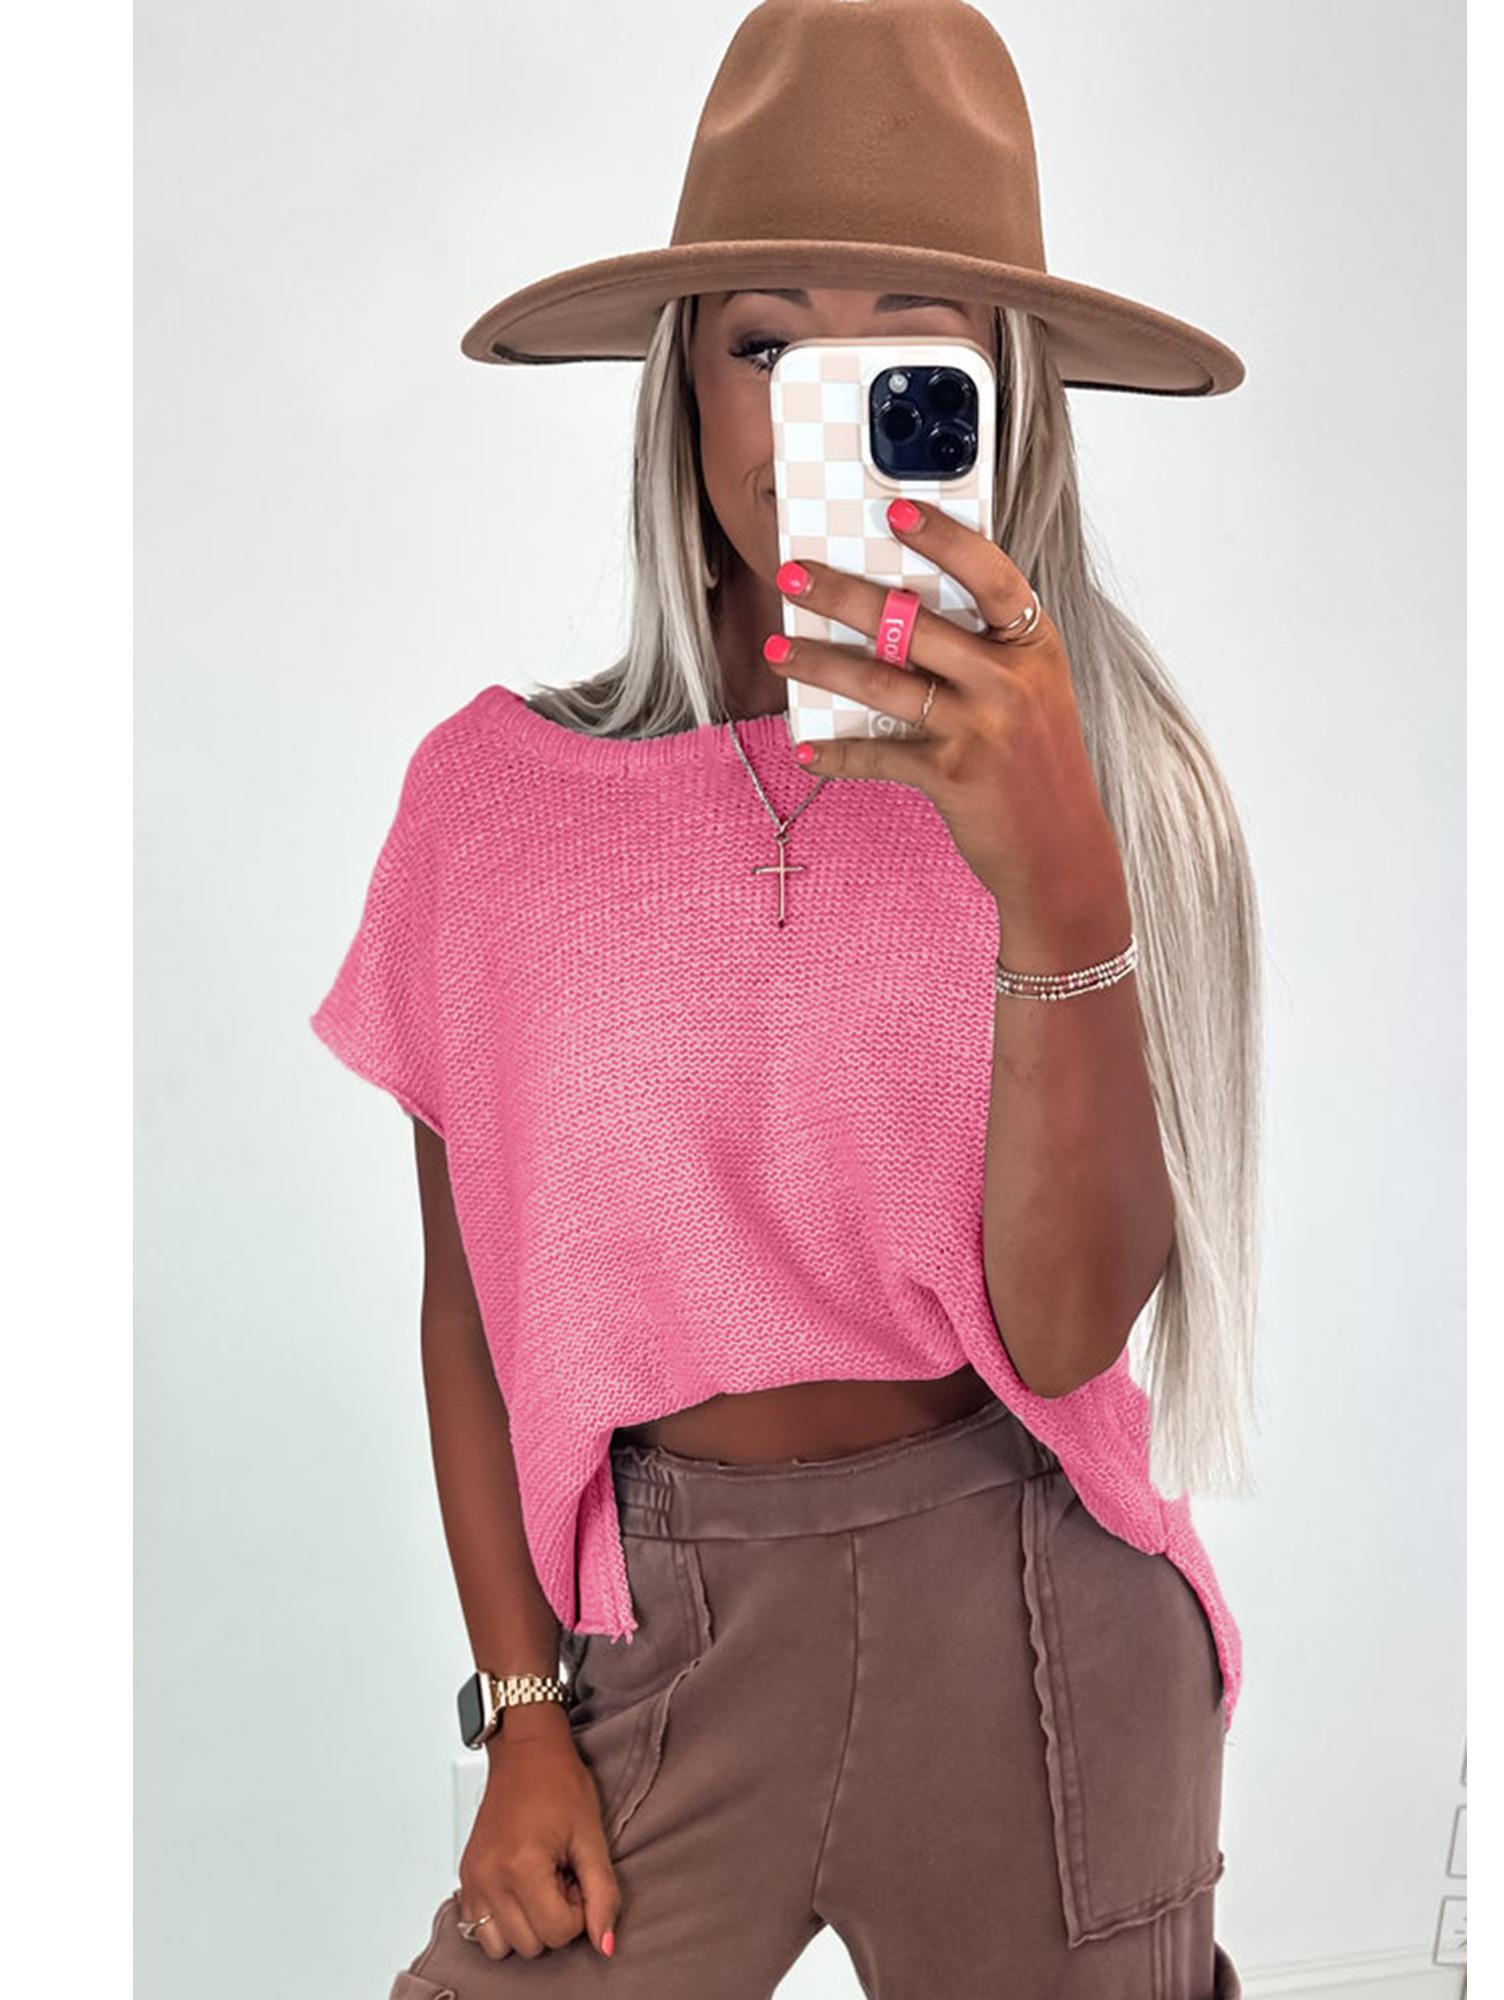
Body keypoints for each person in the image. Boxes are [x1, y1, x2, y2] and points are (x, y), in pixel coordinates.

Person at [313, 3, 1262, 1995]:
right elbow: (468, 1305)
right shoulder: (494, 804)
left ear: (1001, 395)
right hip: (659, 1638)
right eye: (762, 344)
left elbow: (1070, 1328)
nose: (803, 417)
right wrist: (519, 1713)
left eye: (902, 350)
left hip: (1030, 1617)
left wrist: (1055, 871)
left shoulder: (1122, 784)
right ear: (680, 383)